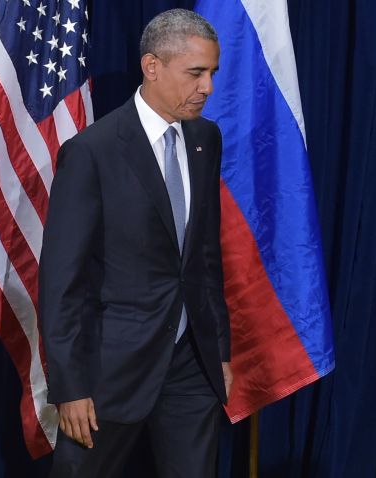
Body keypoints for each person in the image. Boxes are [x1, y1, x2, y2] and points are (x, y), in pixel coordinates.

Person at [39, 9, 233, 477]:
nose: (207, 87)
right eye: (195, 73)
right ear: (152, 66)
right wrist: (69, 385)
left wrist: (220, 352)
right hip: (109, 371)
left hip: (191, 365)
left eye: (211, 73)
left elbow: (205, 256)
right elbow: (61, 280)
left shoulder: (206, 138)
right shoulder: (92, 152)